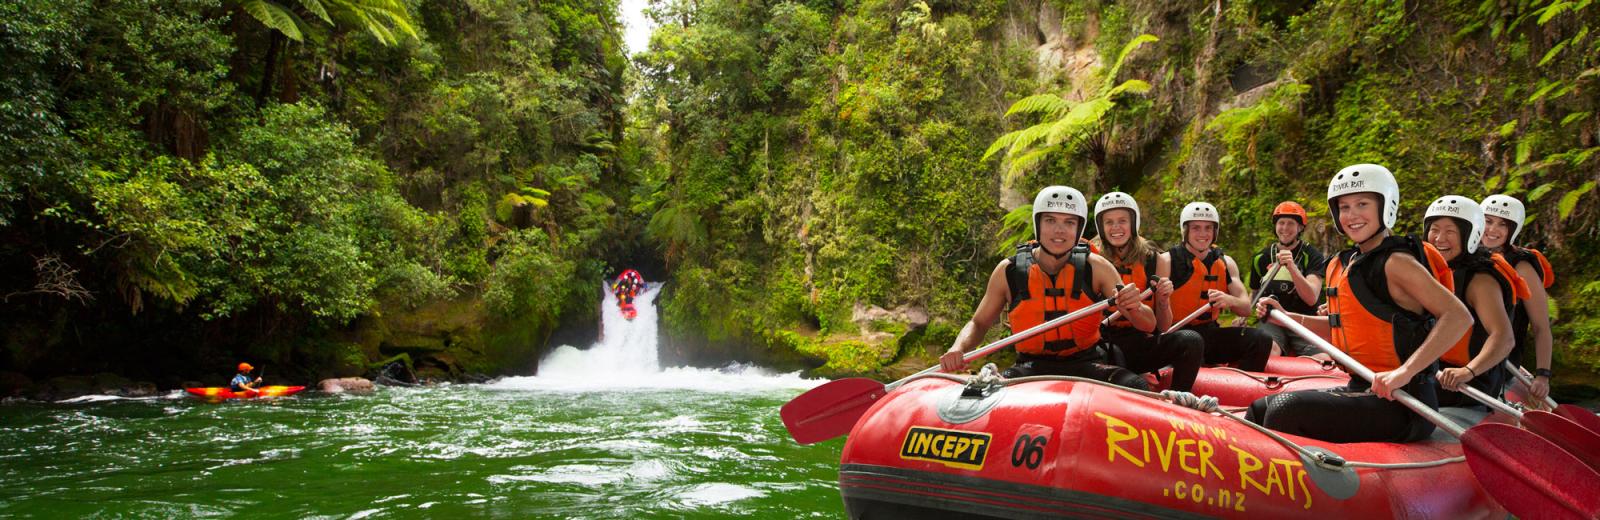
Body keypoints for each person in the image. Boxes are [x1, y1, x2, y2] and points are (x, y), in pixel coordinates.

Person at [1247, 164, 1472, 443]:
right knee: (1259, 408)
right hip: (1362, 386)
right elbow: (1343, 329)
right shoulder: (1348, 262)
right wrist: (1286, 316)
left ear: (1385, 206)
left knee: (1284, 411)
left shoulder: (1397, 262)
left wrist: (1404, 372)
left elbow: (1459, 316)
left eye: (1362, 204)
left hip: (1403, 401)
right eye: (1344, 207)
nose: (1352, 215)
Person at [940, 186, 1150, 389]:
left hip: (1085, 362)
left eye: (1069, 222)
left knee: (1136, 385)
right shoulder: (1009, 271)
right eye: (1050, 220)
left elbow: (1148, 325)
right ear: (1038, 224)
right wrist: (957, 348)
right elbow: (978, 323)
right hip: (1030, 367)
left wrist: (1135, 308)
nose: (1059, 230)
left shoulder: (1096, 266)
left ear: (1078, 229)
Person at [1088, 192, 1203, 392]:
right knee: (1113, 360)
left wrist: (1163, 300)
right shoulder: (1091, 258)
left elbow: (1162, 326)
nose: (1116, 228)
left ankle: (1177, 401)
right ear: (1101, 226)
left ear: (1133, 223)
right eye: (1109, 222)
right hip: (1102, 343)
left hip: (1138, 340)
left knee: (1191, 340)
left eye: (1122, 221)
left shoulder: (1152, 259)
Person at [1423, 196, 1524, 407]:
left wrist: (1467, 371)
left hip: (1468, 381)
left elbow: (1504, 337)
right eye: (1434, 229)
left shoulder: (1480, 280)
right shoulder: (1432, 271)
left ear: (1470, 235)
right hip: (1434, 369)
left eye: (1450, 231)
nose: (1439, 239)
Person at [1155, 202, 1272, 372]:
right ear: (1185, 230)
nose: (1203, 234)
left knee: (1261, 338)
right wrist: (1164, 300)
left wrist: (1228, 299)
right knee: (1192, 342)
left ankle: (1244, 388)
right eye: (1196, 228)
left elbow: (1246, 309)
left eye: (1208, 228)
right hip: (1176, 335)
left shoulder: (1226, 262)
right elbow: (1159, 321)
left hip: (1209, 334)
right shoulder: (1166, 261)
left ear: (1215, 231)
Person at [1479, 194, 1557, 404]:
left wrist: (1543, 375)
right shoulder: (1467, 255)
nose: (1492, 230)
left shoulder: (1522, 266)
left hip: (1499, 359)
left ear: (1512, 230)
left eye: (1502, 225)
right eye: (1487, 221)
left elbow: (1541, 326)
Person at [1247, 201, 1328, 357]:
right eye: (1281, 223)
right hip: (1272, 319)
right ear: (1275, 226)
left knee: (1322, 359)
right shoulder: (1261, 258)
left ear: (1300, 228)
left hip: (1303, 320)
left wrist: (1292, 268)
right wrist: (1244, 316)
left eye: (1291, 223)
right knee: (1268, 352)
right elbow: (1255, 293)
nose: (1285, 228)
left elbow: (1311, 298)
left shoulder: (1312, 256)